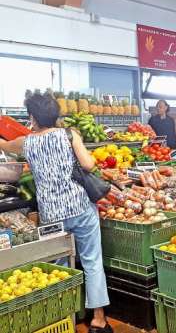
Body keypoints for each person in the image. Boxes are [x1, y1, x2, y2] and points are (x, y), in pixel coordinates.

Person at [0, 92, 112, 333]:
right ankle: (98, 319)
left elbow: (5, 145)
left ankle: (63, 316)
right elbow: (89, 165)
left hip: (52, 215)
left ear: (32, 117)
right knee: (92, 261)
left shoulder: (26, 142)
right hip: (80, 208)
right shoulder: (70, 134)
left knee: (60, 264)